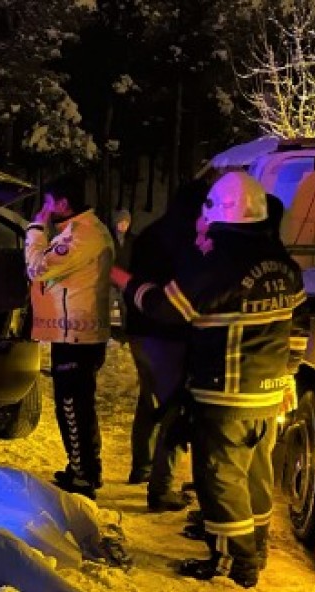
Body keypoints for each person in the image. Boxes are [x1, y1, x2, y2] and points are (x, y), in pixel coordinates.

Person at [112, 172, 307, 588]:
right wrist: (288, 374)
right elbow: (298, 326)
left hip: (226, 394)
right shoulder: (283, 265)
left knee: (219, 478)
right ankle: (255, 543)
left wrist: (125, 282)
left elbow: (164, 308)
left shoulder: (218, 265)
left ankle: (240, 562)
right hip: (268, 395)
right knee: (254, 474)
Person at [27, 176, 116, 499]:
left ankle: (83, 475)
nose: (45, 208)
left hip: (76, 334)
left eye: (49, 201)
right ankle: (84, 468)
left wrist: (35, 229)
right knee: (78, 405)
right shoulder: (81, 231)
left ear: (63, 204)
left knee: (72, 405)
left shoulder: (81, 235)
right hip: (77, 332)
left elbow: (38, 268)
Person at [123, 181, 209, 511]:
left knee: (149, 399)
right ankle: (161, 488)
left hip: (140, 330)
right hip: (172, 334)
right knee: (175, 408)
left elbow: (131, 281)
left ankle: (140, 467)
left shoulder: (149, 233)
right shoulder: (194, 240)